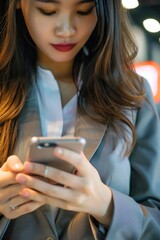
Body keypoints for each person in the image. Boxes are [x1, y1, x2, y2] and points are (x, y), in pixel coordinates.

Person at [0, 0, 160, 239]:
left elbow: (155, 217)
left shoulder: (134, 94)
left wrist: (107, 205)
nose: (66, 29)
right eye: (48, 11)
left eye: (83, 10)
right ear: (18, 4)